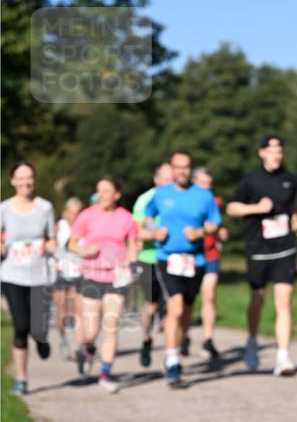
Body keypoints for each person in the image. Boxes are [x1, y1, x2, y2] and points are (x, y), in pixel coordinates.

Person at [142, 150, 221, 387]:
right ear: (172, 169)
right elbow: (147, 216)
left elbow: (216, 223)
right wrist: (154, 231)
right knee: (174, 309)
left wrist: (201, 232)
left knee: (186, 311)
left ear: (190, 169)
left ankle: (181, 339)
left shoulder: (204, 195)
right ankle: (172, 359)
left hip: (195, 260)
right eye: (178, 167)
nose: (182, 171)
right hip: (168, 257)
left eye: (186, 167)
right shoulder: (161, 193)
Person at [226, 135, 297, 376]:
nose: (276, 154)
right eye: (271, 150)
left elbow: (291, 210)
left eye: (279, 150)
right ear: (261, 153)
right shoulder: (250, 181)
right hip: (258, 251)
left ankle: (283, 356)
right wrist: (256, 208)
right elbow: (232, 208)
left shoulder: (289, 179)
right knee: (257, 300)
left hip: (284, 249)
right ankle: (251, 339)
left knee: (284, 301)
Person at [68, 176, 138, 393]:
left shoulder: (127, 218)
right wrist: (84, 250)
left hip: (117, 276)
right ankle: (87, 349)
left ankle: (106, 374)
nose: (102, 195)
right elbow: (71, 243)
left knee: (111, 326)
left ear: (117, 194)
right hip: (91, 275)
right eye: (99, 191)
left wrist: (132, 265)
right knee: (90, 330)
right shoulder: (87, 215)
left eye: (106, 191)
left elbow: (132, 245)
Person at [0, 161, 56, 395]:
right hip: (12, 273)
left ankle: (41, 340)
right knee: (21, 326)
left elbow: (51, 238)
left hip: (39, 274)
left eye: (29, 177)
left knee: (37, 326)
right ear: (13, 181)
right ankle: (22, 379)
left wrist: (50, 247)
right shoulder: (4, 208)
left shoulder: (45, 207)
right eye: (21, 178)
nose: (26, 182)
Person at [133, 163, 173, 367]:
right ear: (156, 179)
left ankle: (171, 355)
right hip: (149, 258)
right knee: (152, 305)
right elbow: (135, 231)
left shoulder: (179, 197)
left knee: (174, 307)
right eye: (164, 179)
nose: (168, 183)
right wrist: (154, 234)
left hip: (174, 259)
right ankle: (146, 339)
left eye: (171, 179)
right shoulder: (145, 200)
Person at [192, 167, 229, 360]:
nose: (207, 187)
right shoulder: (187, 200)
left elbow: (216, 223)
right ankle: (182, 336)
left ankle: (207, 339)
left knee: (208, 294)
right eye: (203, 183)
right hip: (189, 255)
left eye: (209, 184)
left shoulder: (215, 201)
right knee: (186, 301)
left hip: (211, 254)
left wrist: (221, 232)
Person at [52, 197, 83, 360]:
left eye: (77, 213)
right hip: (60, 270)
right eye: (71, 213)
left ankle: (78, 346)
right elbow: (50, 246)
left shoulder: (84, 227)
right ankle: (63, 340)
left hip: (78, 271)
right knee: (62, 310)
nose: (74, 216)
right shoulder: (58, 227)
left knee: (77, 309)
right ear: (65, 212)